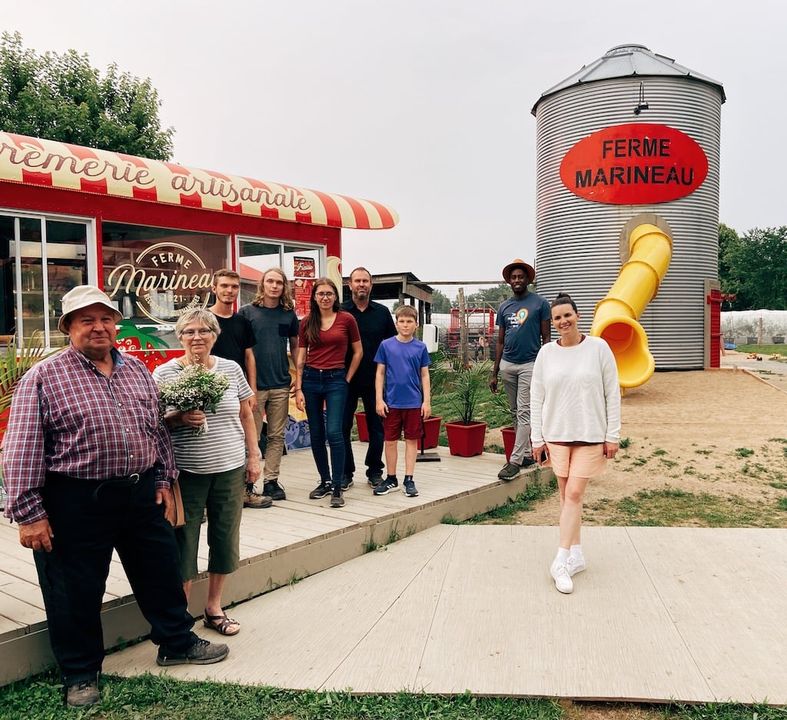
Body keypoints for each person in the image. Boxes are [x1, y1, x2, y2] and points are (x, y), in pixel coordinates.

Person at [2, 286, 228, 709]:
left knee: (160, 569)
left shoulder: (136, 370)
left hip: (140, 492)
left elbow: (154, 428)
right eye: (86, 320)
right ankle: (81, 672)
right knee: (75, 590)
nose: (99, 327)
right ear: (68, 327)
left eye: (105, 318)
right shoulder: (44, 377)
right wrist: (30, 513)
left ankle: (175, 641)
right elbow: (21, 446)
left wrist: (162, 478)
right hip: (74, 501)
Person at [153, 309, 261, 636]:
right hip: (187, 472)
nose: (197, 337)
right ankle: (179, 620)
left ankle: (214, 609)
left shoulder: (230, 369)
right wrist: (179, 418)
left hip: (229, 468)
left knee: (225, 538)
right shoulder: (165, 373)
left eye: (204, 331)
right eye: (189, 331)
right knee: (183, 542)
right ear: (179, 336)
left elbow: (245, 414)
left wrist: (254, 456)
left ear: (215, 335)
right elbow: (153, 423)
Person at [530, 293, 621, 595]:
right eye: (557, 318)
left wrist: (613, 434)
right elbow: (536, 396)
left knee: (575, 492)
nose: (563, 321)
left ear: (577, 315)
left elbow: (612, 392)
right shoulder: (546, 353)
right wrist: (536, 437)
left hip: (590, 434)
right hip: (556, 434)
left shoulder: (598, 348)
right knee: (567, 497)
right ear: (552, 322)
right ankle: (577, 554)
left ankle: (559, 559)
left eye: (567, 315)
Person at [294, 278, 362, 508]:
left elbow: (358, 352)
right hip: (312, 379)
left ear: (335, 296)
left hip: (336, 380)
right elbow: (301, 357)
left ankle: (337, 486)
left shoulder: (346, 319)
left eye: (329, 294)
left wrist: (347, 378)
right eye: (321, 294)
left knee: (334, 432)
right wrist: (299, 387)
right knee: (316, 433)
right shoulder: (306, 322)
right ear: (314, 297)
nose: (325, 297)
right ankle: (323, 480)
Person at [208, 268, 270, 509]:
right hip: (210, 390)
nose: (229, 291)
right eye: (224, 286)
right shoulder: (204, 320)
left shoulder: (242, 321)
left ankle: (245, 491)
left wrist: (251, 390)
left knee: (242, 439)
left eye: (234, 287)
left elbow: (249, 356)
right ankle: (206, 500)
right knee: (211, 441)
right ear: (214, 288)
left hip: (237, 389)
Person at [238, 267, 299, 503]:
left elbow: (295, 346)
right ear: (262, 285)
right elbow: (243, 349)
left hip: (281, 384)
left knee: (276, 436)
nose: (274, 286)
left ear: (284, 287)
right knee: (250, 436)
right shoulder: (247, 313)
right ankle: (248, 483)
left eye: (279, 283)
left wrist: (298, 377)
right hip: (253, 387)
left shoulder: (288, 314)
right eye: (270, 281)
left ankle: (271, 481)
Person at [489, 258, 551, 481]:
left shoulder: (540, 304)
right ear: (509, 281)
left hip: (530, 365)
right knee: (515, 411)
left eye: (520, 277)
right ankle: (525, 454)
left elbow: (546, 337)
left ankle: (514, 461)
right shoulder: (505, 307)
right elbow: (500, 341)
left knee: (524, 410)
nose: (517, 280)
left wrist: (546, 364)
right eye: (513, 277)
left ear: (527, 280)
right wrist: (494, 372)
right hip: (507, 365)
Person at [341, 267, 396, 489]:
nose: (361, 284)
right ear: (350, 285)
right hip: (346, 378)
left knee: (376, 427)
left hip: (376, 380)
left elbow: (392, 346)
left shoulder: (382, 313)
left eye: (365, 281)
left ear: (371, 285)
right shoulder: (341, 312)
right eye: (357, 281)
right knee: (342, 426)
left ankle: (375, 470)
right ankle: (345, 472)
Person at [373, 305, 431, 498]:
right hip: (391, 403)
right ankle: (391, 478)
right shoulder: (386, 345)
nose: (405, 325)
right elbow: (380, 373)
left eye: (409, 321)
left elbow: (424, 375)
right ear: (396, 323)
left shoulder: (420, 347)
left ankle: (409, 478)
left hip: (413, 403)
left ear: (416, 324)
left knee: (411, 440)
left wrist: (426, 401)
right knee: (389, 441)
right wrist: (379, 399)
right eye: (402, 321)